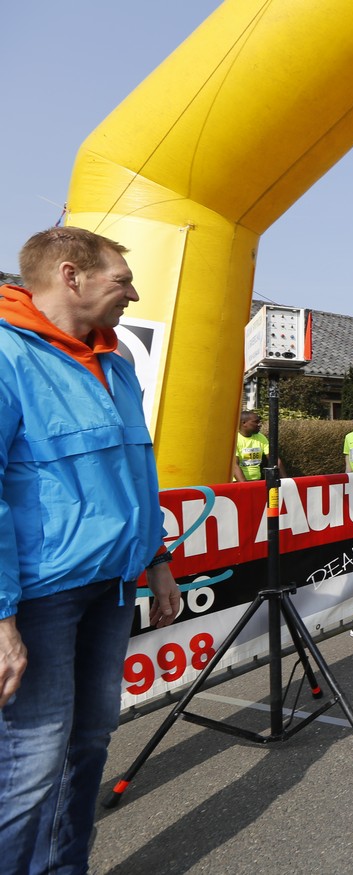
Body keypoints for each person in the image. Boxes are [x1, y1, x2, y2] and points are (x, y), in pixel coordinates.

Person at [0, 226, 181, 873]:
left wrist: (157, 560)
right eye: (122, 280)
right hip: (39, 597)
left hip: (112, 586)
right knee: (29, 765)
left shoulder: (117, 364)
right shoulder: (7, 355)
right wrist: (2, 618)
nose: (133, 294)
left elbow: (137, 475)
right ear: (70, 275)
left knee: (90, 742)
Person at [231, 409, 287, 481]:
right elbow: (234, 465)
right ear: (244, 423)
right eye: (256, 422)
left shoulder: (261, 437)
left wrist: (287, 481)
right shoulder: (234, 439)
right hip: (238, 482)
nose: (259, 424)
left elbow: (274, 459)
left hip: (257, 480)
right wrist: (245, 485)